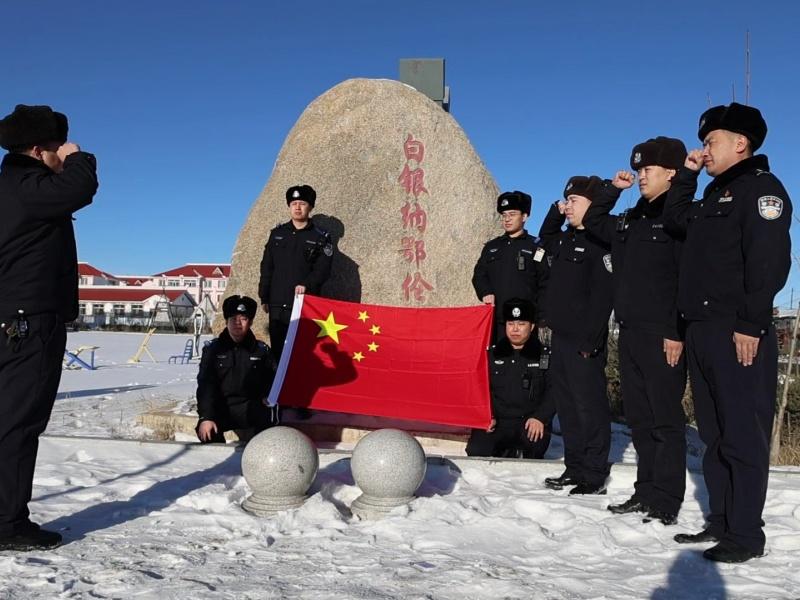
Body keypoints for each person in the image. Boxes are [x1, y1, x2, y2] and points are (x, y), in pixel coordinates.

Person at [664, 103, 791, 563]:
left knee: (742, 435)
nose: (704, 149)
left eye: (710, 141)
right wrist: (687, 174)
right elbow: (674, 219)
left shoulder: (762, 191)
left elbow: (769, 261)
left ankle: (745, 535)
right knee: (714, 435)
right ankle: (721, 521)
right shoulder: (713, 195)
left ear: (741, 143)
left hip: (738, 331)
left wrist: (751, 323)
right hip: (701, 330)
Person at [0, 104, 98, 551]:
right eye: (59, 146)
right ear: (39, 150)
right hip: (28, 324)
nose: (66, 152)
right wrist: (80, 157)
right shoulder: (27, 186)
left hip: (13, 317)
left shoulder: (12, 186)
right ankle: (8, 523)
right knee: (19, 423)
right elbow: (80, 188)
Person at [582, 137, 688, 525]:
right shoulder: (631, 219)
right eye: (639, 169)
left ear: (671, 173)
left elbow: (685, 280)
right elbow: (594, 222)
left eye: (649, 170)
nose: (641, 176)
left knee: (665, 420)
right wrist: (613, 190)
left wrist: (675, 331)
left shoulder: (678, 219)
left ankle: (667, 498)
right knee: (640, 420)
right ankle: (645, 491)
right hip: (629, 332)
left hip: (663, 335)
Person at [539, 176, 614, 495]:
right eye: (566, 201)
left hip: (585, 342)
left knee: (589, 409)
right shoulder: (565, 239)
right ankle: (574, 467)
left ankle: (593, 474)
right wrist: (555, 211)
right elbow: (546, 236)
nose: (568, 206)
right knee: (567, 407)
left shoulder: (600, 243)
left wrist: (591, 341)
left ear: (592, 205)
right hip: (561, 338)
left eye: (574, 201)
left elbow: (603, 297)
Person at [466, 298, 554, 459]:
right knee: (476, 450)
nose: (515, 329)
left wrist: (540, 417)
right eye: (511, 324)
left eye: (521, 324)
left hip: (529, 421)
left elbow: (554, 391)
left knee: (535, 449)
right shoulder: (491, 355)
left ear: (531, 326)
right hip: (498, 421)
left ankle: (514, 451)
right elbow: (478, 389)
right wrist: (486, 416)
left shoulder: (544, 356)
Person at [258, 184, 333, 360]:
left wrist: (307, 285)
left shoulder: (320, 236)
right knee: (278, 354)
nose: (297, 207)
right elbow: (267, 266)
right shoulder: (277, 233)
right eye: (294, 204)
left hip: (304, 304)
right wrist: (264, 296)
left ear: (310, 207)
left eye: (302, 203)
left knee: (303, 354)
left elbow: (323, 269)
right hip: (277, 304)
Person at [196, 295, 276, 444]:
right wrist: (206, 417)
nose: (237, 323)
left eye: (243, 319)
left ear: (250, 322)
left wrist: (268, 395)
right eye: (233, 318)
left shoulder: (261, 351)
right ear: (226, 321)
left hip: (250, 406)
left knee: (270, 428)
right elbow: (206, 386)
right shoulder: (213, 350)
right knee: (207, 432)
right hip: (222, 406)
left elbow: (272, 379)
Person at [472, 191, 548, 342]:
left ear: (524, 217)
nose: (507, 219)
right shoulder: (491, 247)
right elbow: (479, 275)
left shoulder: (536, 247)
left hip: (525, 321)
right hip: (496, 321)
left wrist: (540, 316)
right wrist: (485, 292)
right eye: (504, 215)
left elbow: (545, 281)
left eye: (512, 214)